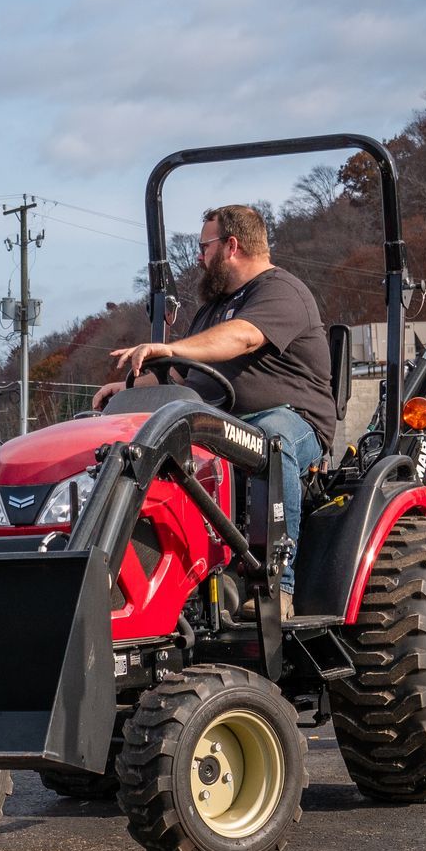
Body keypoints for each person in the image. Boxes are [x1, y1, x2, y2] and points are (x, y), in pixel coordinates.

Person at [92, 204, 333, 612]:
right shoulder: (213, 309)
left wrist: (168, 347)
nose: (201, 257)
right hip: (216, 422)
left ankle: (277, 586)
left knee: (269, 441)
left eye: (205, 246)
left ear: (231, 246)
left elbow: (242, 338)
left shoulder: (280, 292)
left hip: (292, 420)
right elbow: (186, 374)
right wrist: (128, 387)